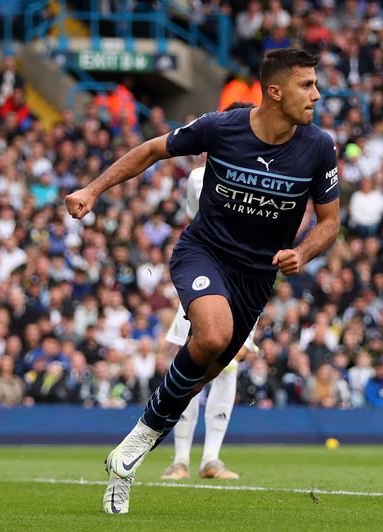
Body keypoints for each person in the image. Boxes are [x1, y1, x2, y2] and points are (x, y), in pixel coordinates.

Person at [65, 48, 341, 514]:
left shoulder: (319, 146)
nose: (317, 94)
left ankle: (128, 451)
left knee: (202, 375)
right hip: (203, 253)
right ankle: (143, 449)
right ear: (274, 92)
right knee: (213, 334)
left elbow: (330, 221)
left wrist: (303, 251)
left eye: (315, 84)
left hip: (257, 277)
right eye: (306, 85)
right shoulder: (221, 127)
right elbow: (153, 149)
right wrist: (92, 189)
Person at [160, 103, 258, 482]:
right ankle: (181, 459)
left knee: (228, 368)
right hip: (213, 274)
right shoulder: (202, 176)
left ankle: (209, 459)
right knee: (194, 359)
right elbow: (197, 218)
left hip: (243, 281)